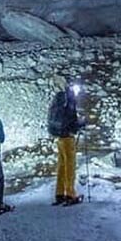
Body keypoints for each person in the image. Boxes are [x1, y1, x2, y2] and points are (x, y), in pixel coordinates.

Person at [48, 78, 86, 206]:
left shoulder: (57, 101)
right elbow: (72, 123)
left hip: (59, 138)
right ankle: (70, 194)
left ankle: (59, 194)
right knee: (70, 167)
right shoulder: (69, 104)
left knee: (61, 166)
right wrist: (81, 124)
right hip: (68, 139)